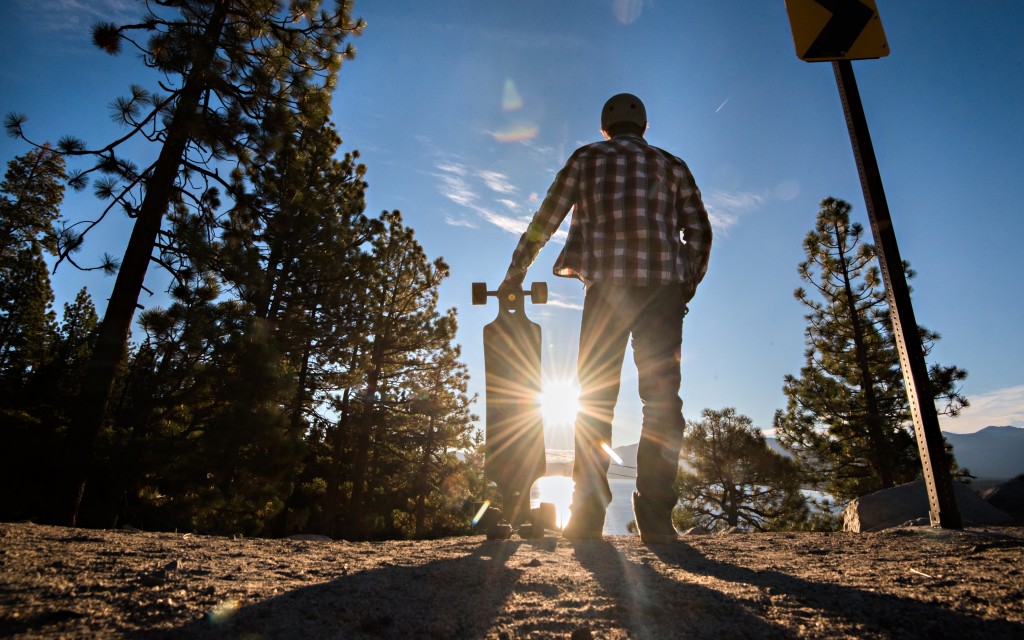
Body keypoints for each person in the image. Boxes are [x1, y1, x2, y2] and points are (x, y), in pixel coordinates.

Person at [499, 93, 712, 544]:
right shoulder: (672, 165)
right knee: (662, 402)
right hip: (661, 294)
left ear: (604, 128)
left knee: (595, 399)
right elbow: (699, 230)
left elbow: (545, 220)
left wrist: (515, 272)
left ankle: (587, 515)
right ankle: (656, 518)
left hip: (606, 294)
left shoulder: (586, 158)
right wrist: (685, 285)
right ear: (645, 127)